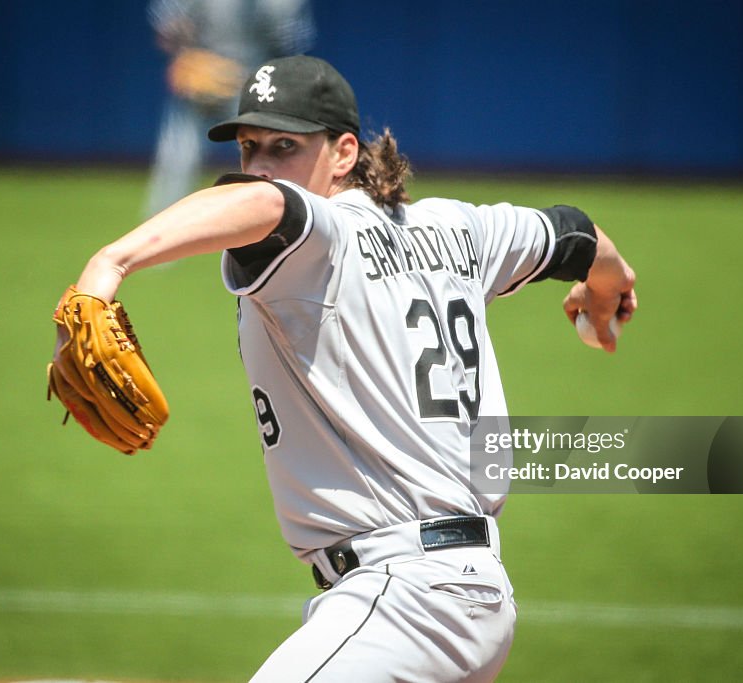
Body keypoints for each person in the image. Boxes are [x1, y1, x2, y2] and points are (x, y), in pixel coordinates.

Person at [69, 55, 637, 681]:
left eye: (284, 146)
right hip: (462, 594)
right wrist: (610, 284)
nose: (259, 167)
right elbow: (573, 234)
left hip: (407, 601)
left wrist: (111, 263)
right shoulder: (459, 226)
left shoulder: (323, 235)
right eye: (248, 147)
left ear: (343, 153)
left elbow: (267, 204)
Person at [144, 0, 315, 217]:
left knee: (266, 160)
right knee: (178, 160)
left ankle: (276, 222)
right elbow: (168, 24)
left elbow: (292, 46)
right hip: (200, 82)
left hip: (252, 84)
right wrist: (185, 56)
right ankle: (158, 232)